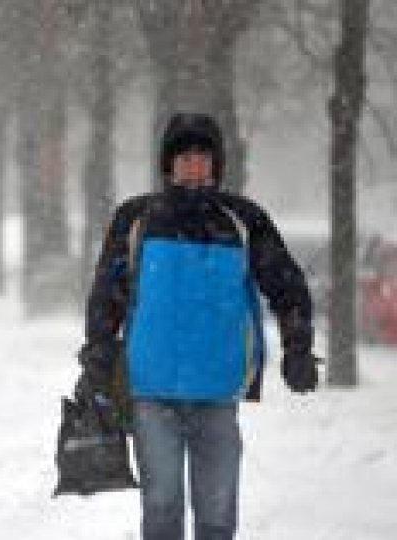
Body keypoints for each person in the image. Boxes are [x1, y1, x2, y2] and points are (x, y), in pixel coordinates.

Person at [79, 112, 320, 540]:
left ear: (217, 163)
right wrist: (97, 354)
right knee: (162, 507)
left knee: (216, 516)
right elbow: (107, 295)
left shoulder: (244, 221)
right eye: (184, 156)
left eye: (202, 156)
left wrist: (298, 347)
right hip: (151, 390)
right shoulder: (135, 220)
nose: (193, 165)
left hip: (218, 391)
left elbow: (287, 286)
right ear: (168, 163)